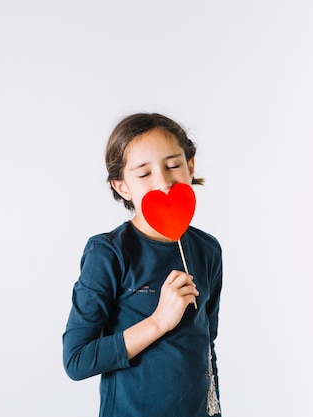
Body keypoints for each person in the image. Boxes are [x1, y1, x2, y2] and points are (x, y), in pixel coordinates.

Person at [62, 113, 223, 417]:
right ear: (122, 187)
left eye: (173, 165)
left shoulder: (207, 249)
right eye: (143, 173)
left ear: (190, 166)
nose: (163, 181)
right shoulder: (108, 252)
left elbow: (207, 347)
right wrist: (159, 321)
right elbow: (77, 360)